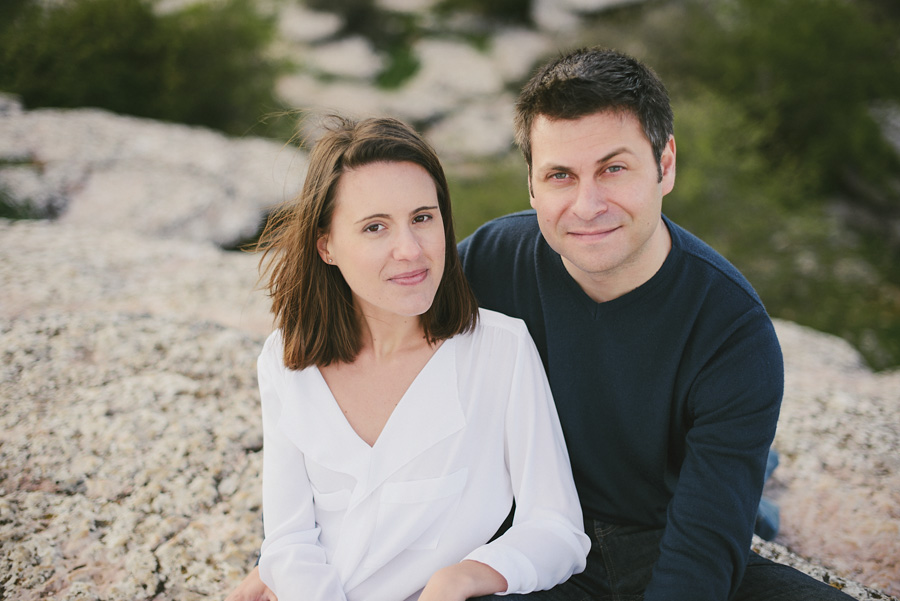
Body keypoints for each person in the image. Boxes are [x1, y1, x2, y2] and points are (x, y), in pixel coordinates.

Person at [228, 48, 855, 601]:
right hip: (531, 554)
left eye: (614, 168)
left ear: (664, 165)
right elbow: (383, 319)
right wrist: (290, 559)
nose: (587, 205)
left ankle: (762, 486)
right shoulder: (491, 261)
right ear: (530, 184)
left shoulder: (731, 330)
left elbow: (704, 550)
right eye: (560, 175)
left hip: (664, 537)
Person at [240, 115, 589, 601]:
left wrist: (465, 576)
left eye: (423, 218)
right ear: (327, 246)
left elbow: (557, 529)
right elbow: (289, 538)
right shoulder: (286, 360)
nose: (410, 250)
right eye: (375, 227)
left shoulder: (500, 350)